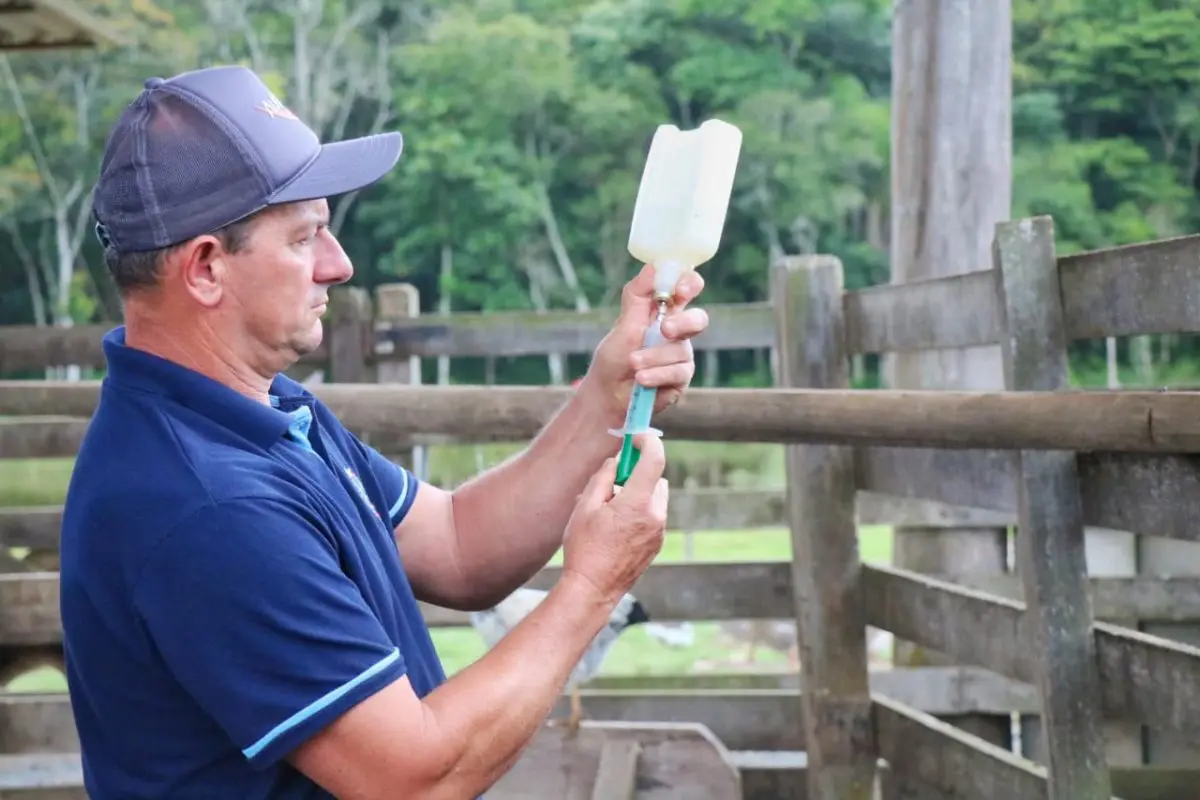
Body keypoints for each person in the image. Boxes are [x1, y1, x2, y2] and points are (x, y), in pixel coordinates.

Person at [58, 65, 710, 799]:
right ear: (206, 268)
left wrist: (603, 399)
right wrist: (593, 587)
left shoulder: (261, 414)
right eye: (306, 238)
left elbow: (459, 544)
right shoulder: (206, 505)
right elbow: (411, 780)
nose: (340, 266)